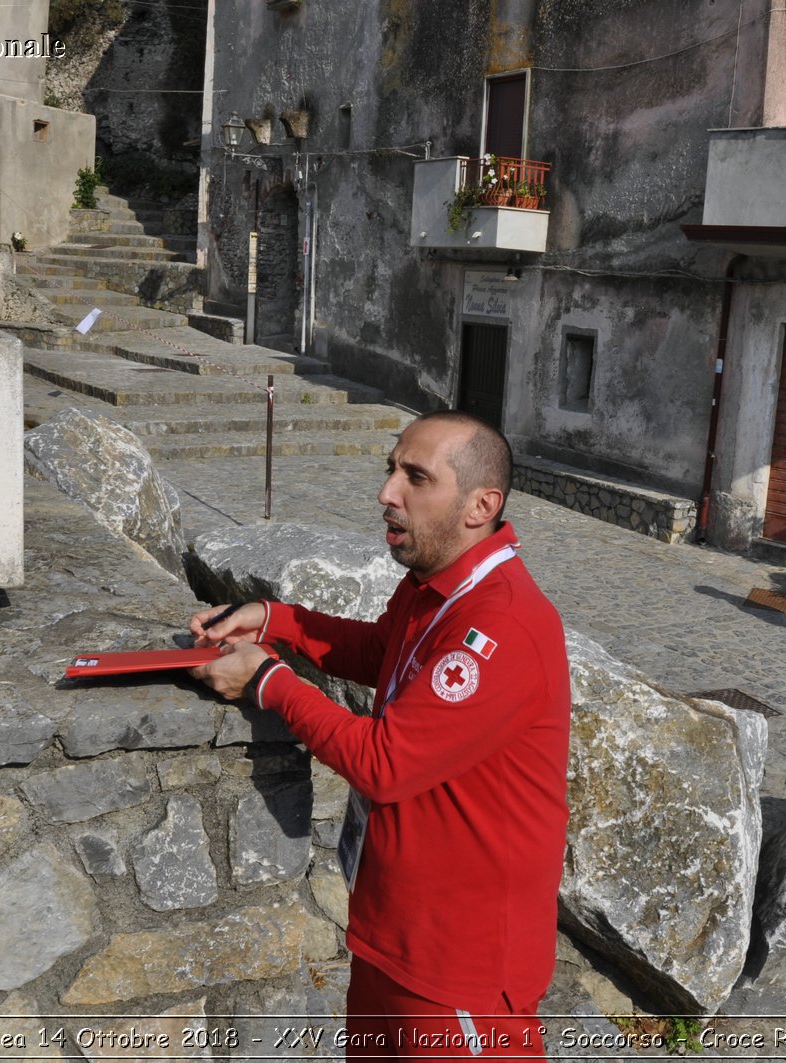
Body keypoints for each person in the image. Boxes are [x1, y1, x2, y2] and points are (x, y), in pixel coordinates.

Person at [187, 411, 571, 1060]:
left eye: (415, 477)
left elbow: (385, 763)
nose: (387, 493)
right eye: (391, 469)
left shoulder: (500, 624)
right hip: (394, 936)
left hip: (461, 973)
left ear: (482, 504)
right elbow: (378, 650)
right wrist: (276, 619)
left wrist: (268, 681)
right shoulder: (433, 589)